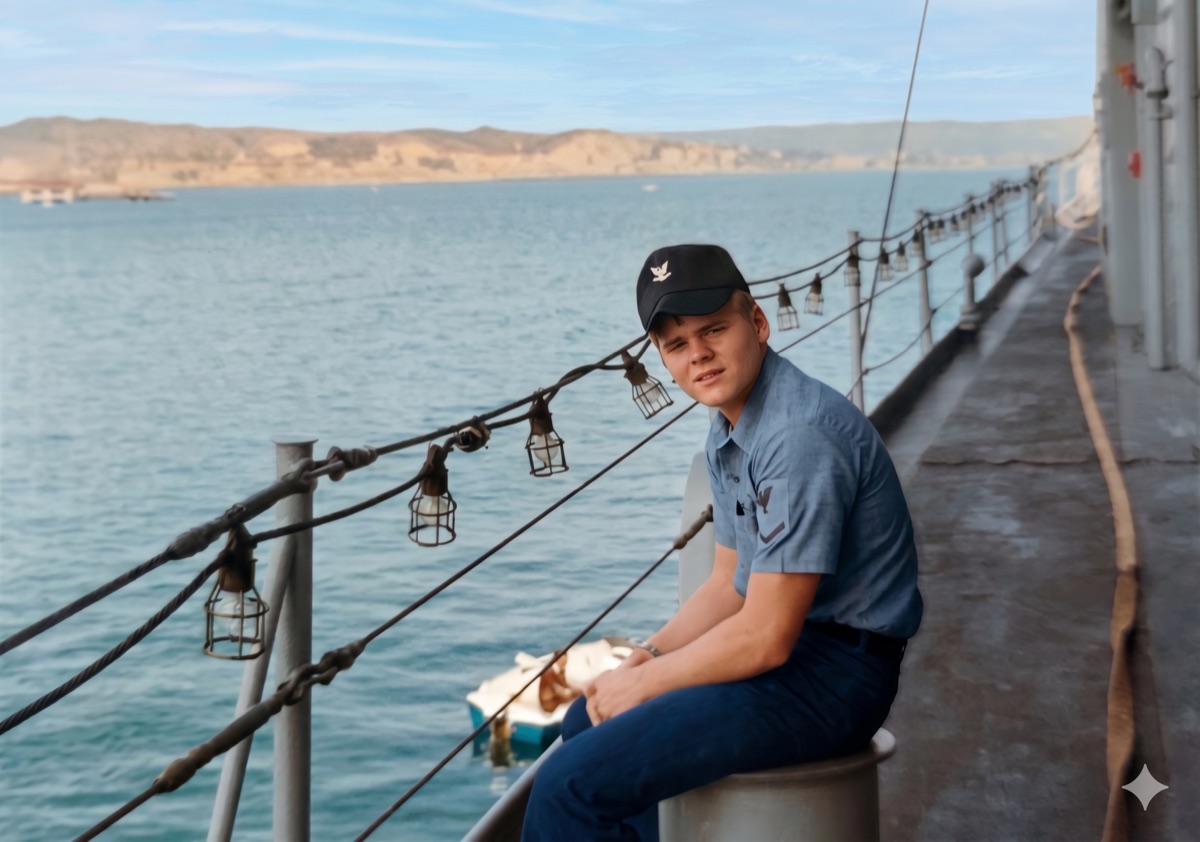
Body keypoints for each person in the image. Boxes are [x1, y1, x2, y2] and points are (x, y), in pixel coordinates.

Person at [521, 243, 923, 841]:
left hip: (835, 678)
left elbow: (764, 636)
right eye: (676, 344)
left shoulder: (797, 436)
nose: (699, 355)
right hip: (797, 651)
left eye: (714, 330)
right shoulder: (731, 427)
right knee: (586, 719)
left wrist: (646, 684)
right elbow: (729, 586)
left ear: (757, 323)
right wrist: (649, 656)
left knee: (569, 785)